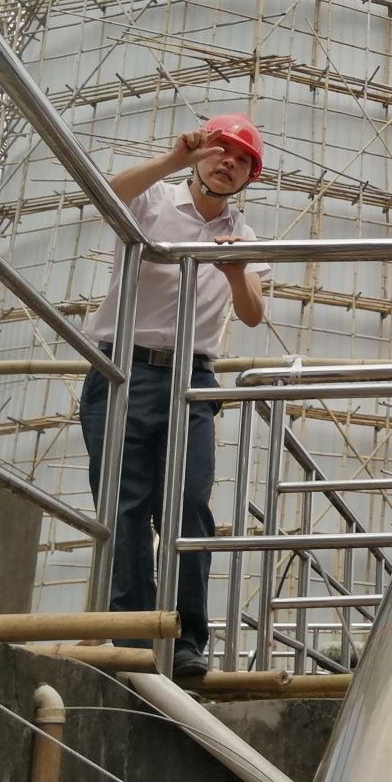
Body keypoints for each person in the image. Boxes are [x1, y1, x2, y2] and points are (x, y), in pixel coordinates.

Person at [81, 114, 268, 678]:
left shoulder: (245, 236)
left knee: (188, 505)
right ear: (199, 155)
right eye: (219, 150)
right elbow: (104, 192)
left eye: (242, 158)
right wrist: (171, 159)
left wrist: (234, 271)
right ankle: (134, 638)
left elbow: (252, 313)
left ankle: (186, 640)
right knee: (124, 506)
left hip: (192, 377)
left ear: (250, 176)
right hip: (123, 368)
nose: (229, 162)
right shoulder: (154, 200)